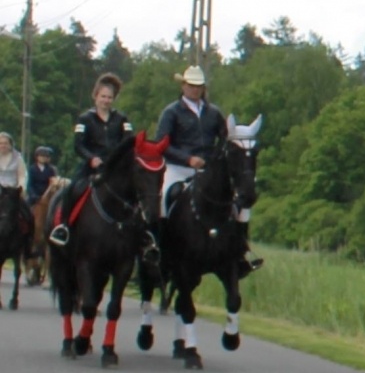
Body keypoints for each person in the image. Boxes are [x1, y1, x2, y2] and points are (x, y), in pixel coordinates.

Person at [155, 64, 261, 274]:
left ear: (203, 88)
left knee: (241, 202)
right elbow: (162, 144)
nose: (195, 90)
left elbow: (225, 141)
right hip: (178, 168)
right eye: (191, 85)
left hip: (209, 171)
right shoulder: (171, 112)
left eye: (199, 86)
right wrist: (188, 159)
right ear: (183, 86)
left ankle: (240, 250)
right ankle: (158, 247)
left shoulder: (214, 113)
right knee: (163, 199)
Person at [48, 73, 138, 248]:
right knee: (72, 190)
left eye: (110, 97)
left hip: (115, 168)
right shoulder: (84, 119)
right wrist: (91, 159)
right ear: (96, 96)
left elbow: (128, 141)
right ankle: (63, 227)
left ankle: (143, 236)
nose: (106, 100)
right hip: (91, 167)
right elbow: (78, 145)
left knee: (138, 193)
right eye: (103, 96)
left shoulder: (122, 119)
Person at [0, 132, 32, 244]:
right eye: (1, 143)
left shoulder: (17, 157)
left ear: (10, 144)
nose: (3, 145)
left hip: (13, 191)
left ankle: (29, 242)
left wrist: (21, 187)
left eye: (5, 143)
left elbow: (22, 174)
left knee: (27, 213)